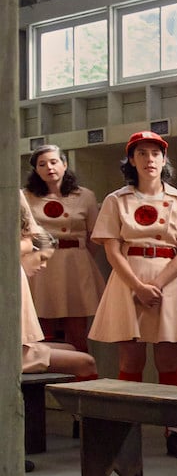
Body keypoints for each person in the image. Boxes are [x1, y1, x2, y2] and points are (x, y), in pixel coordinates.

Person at [89, 131, 177, 460]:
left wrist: (159, 284)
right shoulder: (116, 200)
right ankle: (129, 429)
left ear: (165, 159)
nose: (149, 158)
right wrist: (138, 287)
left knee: (169, 359)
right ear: (131, 160)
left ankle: (176, 431)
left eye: (156, 152)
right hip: (128, 279)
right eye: (142, 153)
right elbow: (111, 250)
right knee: (131, 360)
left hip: (170, 278)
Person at [19, 198, 99, 472]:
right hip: (17, 353)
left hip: (24, 347)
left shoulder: (19, 273)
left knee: (72, 348)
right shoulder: (15, 272)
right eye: (40, 259)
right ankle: (93, 430)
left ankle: (87, 422)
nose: (42, 266)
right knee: (84, 361)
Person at [22, 145, 107, 353]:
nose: (49, 168)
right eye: (42, 164)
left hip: (75, 264)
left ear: (65, 164)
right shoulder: (25, 196)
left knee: (77, 332)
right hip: (39, 265)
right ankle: (43, 381)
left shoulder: (85, 196)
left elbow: (95, 235)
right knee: (40, 331)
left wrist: (79, 255)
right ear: (36, 170)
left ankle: (81, 379)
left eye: (54, 162)